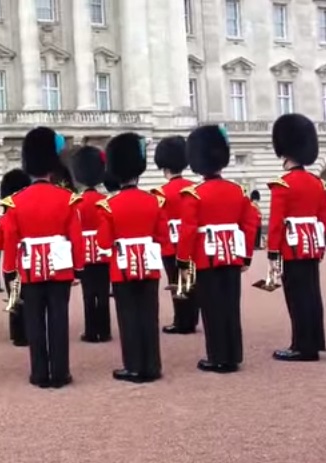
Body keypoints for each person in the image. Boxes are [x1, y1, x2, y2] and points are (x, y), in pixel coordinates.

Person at [1, 127, 84, 389]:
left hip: (29, 269)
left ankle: (39, 373)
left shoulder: (15, 202)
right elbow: (76, 237)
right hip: (60, 267)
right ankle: (60, 373)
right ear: (52, 164)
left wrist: (9, 268)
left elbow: (10, 238)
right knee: (59, 318)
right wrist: (78, 267)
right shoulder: (67, 198)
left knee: (34, 320)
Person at [178, 125, 258, 373]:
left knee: (212, 308)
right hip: (232, 256)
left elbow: (188, 231)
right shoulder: (238, 190)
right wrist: (246, 256)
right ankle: (234, 355)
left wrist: (184, 260)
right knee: (231, 306)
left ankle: (217, 357)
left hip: (206, 259)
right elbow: (250, 223)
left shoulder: (194, 194)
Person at [97, 133, 169, 383]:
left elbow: (103, 242)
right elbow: (163, 237)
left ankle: (134, 367)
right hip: (149, 264)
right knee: (149, 314)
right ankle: (152, 365)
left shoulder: (109, 205)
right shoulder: (154, 201)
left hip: (122, 266)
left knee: (128, 316)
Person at [267, 114, 326, 361]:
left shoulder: (283, 184)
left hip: (291, 248)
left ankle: (302, 346)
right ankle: (315, 340)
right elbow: (323, 219)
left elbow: (276, 223)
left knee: (297, 296)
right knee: (312, 293)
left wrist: (272, 253)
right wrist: (320, 248)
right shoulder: (316, 183)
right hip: (312, 245)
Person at [150, 136, 199, 335]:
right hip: (192, 240)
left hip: (170, 242)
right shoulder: (194, 187)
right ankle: (192, 318)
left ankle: (181, 320)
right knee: (192, 279)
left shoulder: (160, 192)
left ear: (164, 168)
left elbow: (159, 223)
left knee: (175, 281)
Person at [71, 146, 111, 343]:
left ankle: (91, 330)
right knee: (103, 292)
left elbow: (76, 234)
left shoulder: (77, 202)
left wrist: (75, 263)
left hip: (85, 253)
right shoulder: (105, 200)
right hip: (104, 253)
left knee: (88, 294)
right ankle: (104, 330)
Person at [0, 169, 31, 347]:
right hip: (22, 259)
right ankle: (23, 333)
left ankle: (18, 333)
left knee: (15, 296)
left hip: (13, 260)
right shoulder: (13, 214)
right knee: (22, 296)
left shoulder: (6, 215)